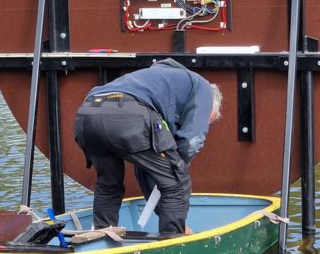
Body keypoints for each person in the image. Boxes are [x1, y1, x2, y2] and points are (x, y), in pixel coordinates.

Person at [73, 58, 222, 237]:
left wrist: (166, 179)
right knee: (177, 181)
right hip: (129, 114)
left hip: (88, 113)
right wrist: (177, 168)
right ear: (211, 106)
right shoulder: (202, 87)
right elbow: (192, 140)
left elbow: (149, 165)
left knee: (109, 183)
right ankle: (174, 241)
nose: (207, 123)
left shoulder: (159, 82)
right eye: (210, 120)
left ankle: (101, 236)